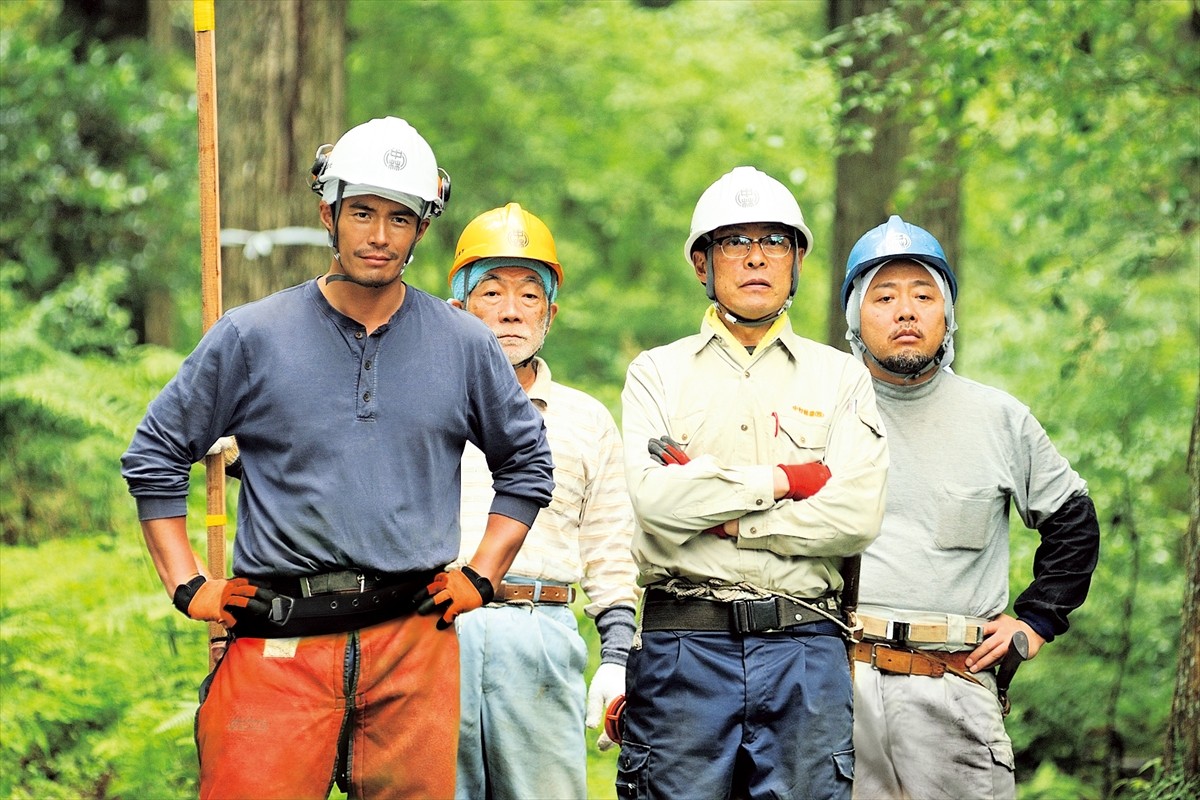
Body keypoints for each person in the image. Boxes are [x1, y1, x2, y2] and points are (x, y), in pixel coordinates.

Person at [120, 117, 555, 799]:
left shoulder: (463, 344)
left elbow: (526, 465)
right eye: (361, 213)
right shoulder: (251, 336)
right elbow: (154, 455)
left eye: (398, 218)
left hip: (414, 641)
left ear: (421, 229)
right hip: (278, 640)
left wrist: (482, 575)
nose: (379, 235)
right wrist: (189, 585)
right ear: (329, 212)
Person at [617, 166, 889, 800]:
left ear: (796, 262)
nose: (755, 258)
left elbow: (856, 516)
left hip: (804, 646)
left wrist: (728, 517)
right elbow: (656, 503)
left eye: (773, 241)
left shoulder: (842, 379)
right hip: (684, 646)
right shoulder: (656, 374)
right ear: (702, 263)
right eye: (735, 241)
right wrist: (786, 480)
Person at [840, 215, 1101, 800]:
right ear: (856, 316)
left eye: (923, 295)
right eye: (884, 296)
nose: (905, 311)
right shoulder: (822, 413)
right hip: (836, 685)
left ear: (948, 314)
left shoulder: (998, 418)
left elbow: (1074, 521)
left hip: (955, 683)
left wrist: (1036, 621)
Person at [445, 202, 641, 799]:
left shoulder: (587, 420)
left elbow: (611, 550)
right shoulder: (417, 403)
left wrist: (616, 657)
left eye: (530, 295)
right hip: (432, 632)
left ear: (550, 314)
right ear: (458, 307)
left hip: (541, 634)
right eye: (491, 292)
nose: (511, 311)